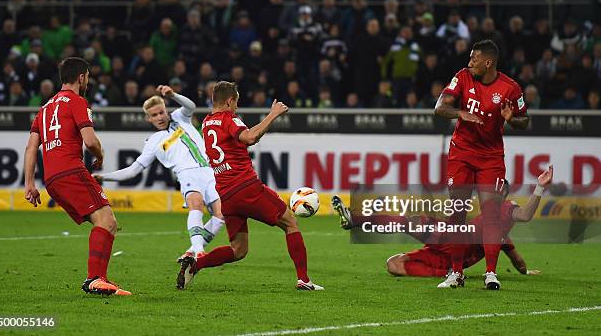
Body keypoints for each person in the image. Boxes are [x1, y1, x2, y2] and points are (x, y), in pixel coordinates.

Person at [177, 81, 324, 291]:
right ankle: (303, 280)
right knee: (290, 222)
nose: (236, 107)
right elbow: (250, 137)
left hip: (226, 196)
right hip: (247, 188)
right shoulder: (229, 118)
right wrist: (273, 114)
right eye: (236, 103)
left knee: (238, 250)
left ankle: (196, 263)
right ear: (229, 101)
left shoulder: (207, 122)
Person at [23, 57, 131, 296]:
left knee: (103, 223)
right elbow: (90, 141)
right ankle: (94, 279)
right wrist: (100, 156)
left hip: (52, 180)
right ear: (81, 77)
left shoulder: (43, 109)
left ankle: (98, 278)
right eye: (87, 77)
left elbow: (31, 148)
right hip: (70, 170)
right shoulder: (77, 101)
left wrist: (29, 183)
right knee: (107, 220)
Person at [332, 166, 552, 278]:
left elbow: (524, 215)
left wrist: (540, 187)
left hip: (450, 241)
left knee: (395, 261)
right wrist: (525, 271)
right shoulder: (501, 233)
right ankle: (355, 219)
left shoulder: (504, 209)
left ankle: (355, 219)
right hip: (449, 243)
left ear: (503, 193)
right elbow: (518, 263)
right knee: (397, 249)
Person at [434, 39, 530, 290]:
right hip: (461, 153)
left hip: (491, 157)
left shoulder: (511, 88)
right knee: (457, 211)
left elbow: (525, 120)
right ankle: (456, 274)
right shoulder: (462, 77)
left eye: (474, 59)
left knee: (490, 214)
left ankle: (490, 273)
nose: (469, 62)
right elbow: (440, 107)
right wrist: (460, 113)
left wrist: (512, 119)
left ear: (488, 62)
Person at [93, 85, 224, 263]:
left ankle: (191, 251)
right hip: (187, 174)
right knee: (196, 204)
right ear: (148, 119)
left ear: (166, 111)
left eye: (161, 112)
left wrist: (173, 95)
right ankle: (200, 252)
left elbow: (191, 106)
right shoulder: (153, 142)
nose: (160, 117)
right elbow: (133, 170)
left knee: (221, 214)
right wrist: (103, 177)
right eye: (154, 115)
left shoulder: (180, 118)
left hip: (209, 170)